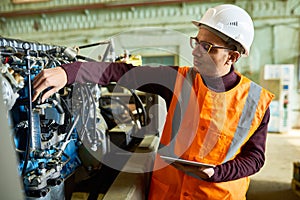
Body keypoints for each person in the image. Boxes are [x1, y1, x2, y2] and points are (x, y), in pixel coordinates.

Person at [33, 4, 274, 200]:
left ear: (232, 56)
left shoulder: (256, 102)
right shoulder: (178, 80)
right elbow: (119, 72)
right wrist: (69, 72)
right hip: (166, 194)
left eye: (208, 47)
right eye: (197, 42)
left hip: (216, 195)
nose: (196, 51)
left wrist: (217, 172)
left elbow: (255, 158)